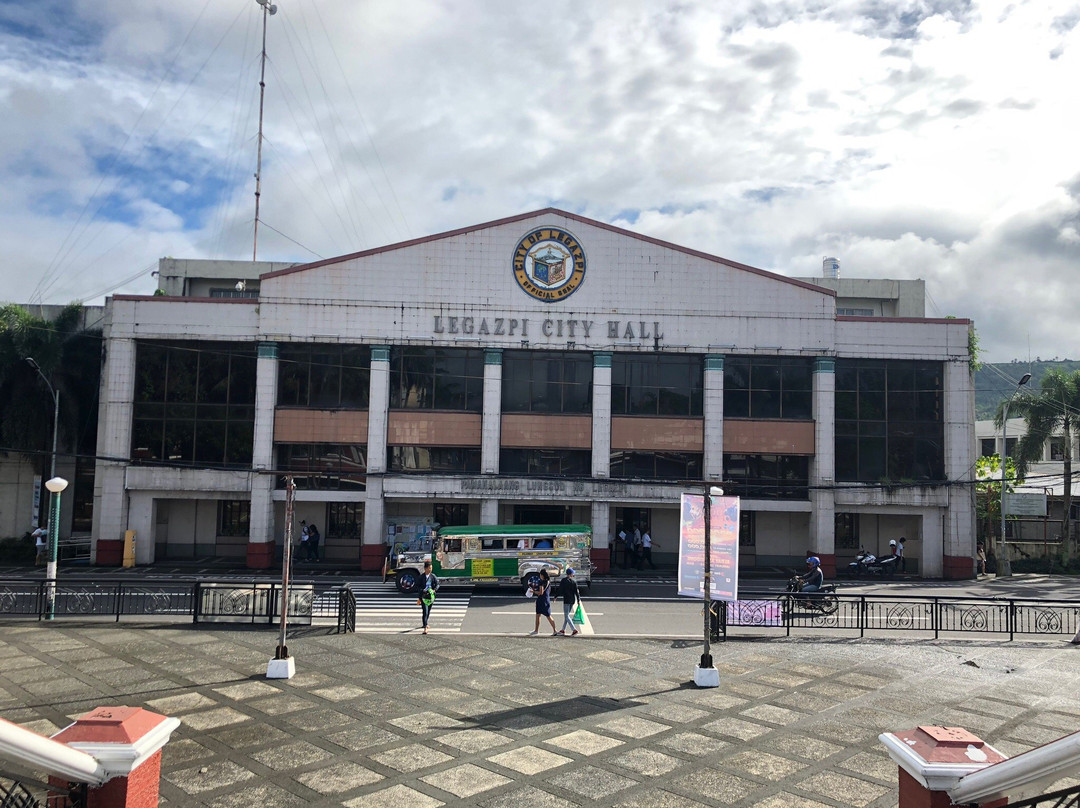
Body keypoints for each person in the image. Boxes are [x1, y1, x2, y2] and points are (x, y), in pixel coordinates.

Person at [529, 569, 558, 636]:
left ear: (542, 575)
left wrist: (533, 591)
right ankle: (554, 630)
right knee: (548, 615)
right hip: (546, 599)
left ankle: (537, 630)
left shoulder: (541, 582)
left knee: (539, 615)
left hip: (542, 600)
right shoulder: (548, 582)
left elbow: (540, 592)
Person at [556, 567, 580, 636]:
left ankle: (574, 629)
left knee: (566, 616)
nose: (573, 574)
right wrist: (578, 600)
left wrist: (556, 596)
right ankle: (563, 630)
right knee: (567, 616)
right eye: (573, 573)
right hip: (572, 600)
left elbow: (560, 589)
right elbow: (577, 592)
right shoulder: (574, 581)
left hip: (566, 600)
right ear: (571, 574)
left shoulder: (563, 581)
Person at [418, 559, 439, 634]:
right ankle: (425, 627)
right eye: (429, 568)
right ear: (425, 568)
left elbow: (437, 585)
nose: (430, 569)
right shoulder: (421, 577)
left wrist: (434, 590)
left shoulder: (433, 576)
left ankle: (425, 623)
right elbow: (418, 587)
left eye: (431, 568)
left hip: (431, 597)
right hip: (423, 596)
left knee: (428, 611)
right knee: (425, 611)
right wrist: (422, 591)